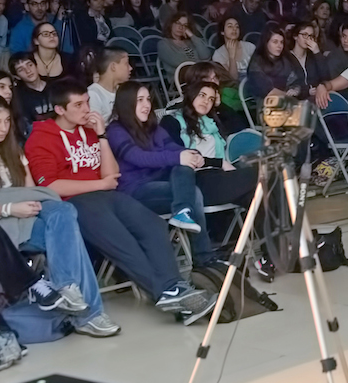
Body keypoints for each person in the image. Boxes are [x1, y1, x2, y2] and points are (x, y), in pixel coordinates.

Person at [25, 78, 216, 324]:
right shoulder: (42, 137)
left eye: (87, 102)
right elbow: (49, 186)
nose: (87, 109)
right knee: (122, 240)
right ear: (60, 109)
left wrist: (102, 135)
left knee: (153, 225)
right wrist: (99, 184)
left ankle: (174, 286)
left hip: (107, 194)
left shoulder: (91, 131)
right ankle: (167, 291)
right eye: (79, 105)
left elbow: (111, 174)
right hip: (74, 201)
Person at [0, 94, 119, 336]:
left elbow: (33, 192)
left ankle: (68, 291)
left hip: (25, 213)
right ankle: (89, 314)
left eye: (6, 121)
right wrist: (9, 209)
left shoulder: (12, 149)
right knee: (68, 235)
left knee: (64, 214)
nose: (3, 128)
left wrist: (24, 206)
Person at [108, 82, 215, 266]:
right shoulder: (115, 130)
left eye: (148, 99)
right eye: (140, 100)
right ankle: (203, 258)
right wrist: (179, 156)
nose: (146, 105)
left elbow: (174, 148)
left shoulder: (152, 126)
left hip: (159, 180)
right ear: (127, 103)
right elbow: (139, 158)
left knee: (183, 165)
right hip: (135, 190)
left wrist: (192, 155)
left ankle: (182, 212)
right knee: (193, 190)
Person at [160, 81, 257, 211]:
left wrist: (220, 105)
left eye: (211, 99)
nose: (206, 101)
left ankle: (275, 230)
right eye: (202, 95)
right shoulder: (171, 121)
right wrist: (219, 162)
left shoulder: (212, 122)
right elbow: (179, 156)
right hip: (195, 179)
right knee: (263, 173)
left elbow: (240, 125)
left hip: (219, 176)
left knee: (258, 197)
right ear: (191, 95)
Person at [246, 26, 296, 100]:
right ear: (266, 43)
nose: (279, 46)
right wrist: (290, 98)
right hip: (267, 104)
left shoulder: (285, 60)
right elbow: (267, 91)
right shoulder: (256, 63)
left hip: (287, 100)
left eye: (281, 42)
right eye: (275, 42)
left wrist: (296, 90)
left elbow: (296, 80)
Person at [159, 12, 212, 81]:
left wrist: (192, 36)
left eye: (185, 25)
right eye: (178, 23)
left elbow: (206, 56)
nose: (181, 27)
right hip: (180, 80)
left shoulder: (190, 42)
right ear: (171, 24)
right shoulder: (163, 44)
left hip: (199, 75)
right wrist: (198, 63)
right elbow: (178, 62)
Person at [87, 47, 131, 120]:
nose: (130, 68)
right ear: (113, 67)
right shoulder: (93, 94)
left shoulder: (123, 91)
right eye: (126, 64)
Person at [287, 22, 327, 100]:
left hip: (316, 99)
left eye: (310, 36)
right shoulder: (287, 58)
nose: (308, 39)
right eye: (304, 35)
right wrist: (306, 91)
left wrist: (317, 52)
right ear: (295, 36)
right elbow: (288, 83)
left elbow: (326, 78)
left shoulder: (314, 56)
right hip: (294, 100)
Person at [212, 16, 255, 81]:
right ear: (222, 32)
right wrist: (231, 57)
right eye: (230, 26)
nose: (234, 29)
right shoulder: (218, 54)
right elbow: (232, 79)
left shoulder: (250, 47)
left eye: (237, 27)